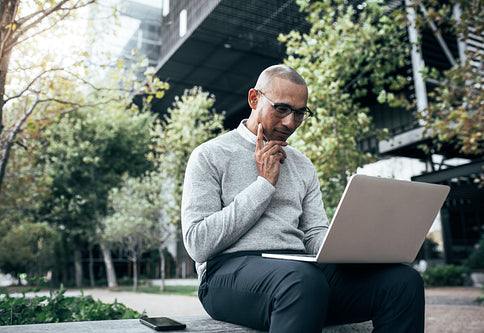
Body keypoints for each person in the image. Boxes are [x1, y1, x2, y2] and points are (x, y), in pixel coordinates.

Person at [181, 64, 425, 332]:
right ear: (254, 99)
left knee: (403, 282)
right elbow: (198, 244)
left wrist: (353, 247)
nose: (290, 123)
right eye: (282, 109)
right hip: (226, 274)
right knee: (302, 281)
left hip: (301, 272)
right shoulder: (209, 155)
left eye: (299, 113)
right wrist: (263, 185)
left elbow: (313, 234)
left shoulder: (303, 165)